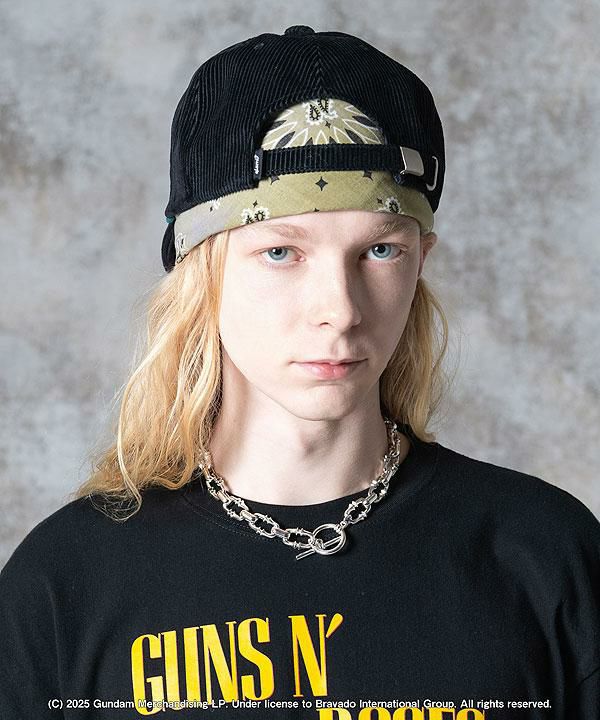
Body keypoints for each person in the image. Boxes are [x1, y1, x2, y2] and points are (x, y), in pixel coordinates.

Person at [0, 25, 598, 720]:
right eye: (281, 252)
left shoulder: (545, 555)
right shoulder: (65, 584)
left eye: (380, 251)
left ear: (421, 262)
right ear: (200, 269)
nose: (339, 310)